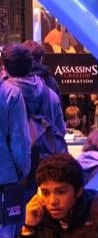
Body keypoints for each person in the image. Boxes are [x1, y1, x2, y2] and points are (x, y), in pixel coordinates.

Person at [2, 44, 66, 189]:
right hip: (46, 168)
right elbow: (60, 131)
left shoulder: (6, 96)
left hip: (14, 175)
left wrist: (22, 171)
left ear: (5, 67)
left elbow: (17, 140)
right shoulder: (50, 94)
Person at [0, 71, 30, 238]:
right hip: (5, 176)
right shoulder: (10, 93)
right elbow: (20, 139)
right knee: (5, 236)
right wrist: (23, 170)